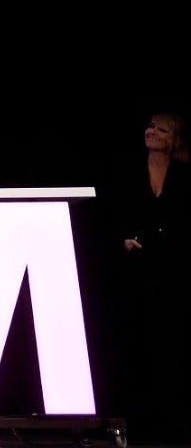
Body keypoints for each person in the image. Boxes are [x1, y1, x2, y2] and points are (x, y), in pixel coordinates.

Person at [112, 111, 190, 443]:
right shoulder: (128, 173)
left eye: (162, 129)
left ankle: (175, 427)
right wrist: (125, 242)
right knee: (137, 347)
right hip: (135, 273)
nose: (152, 131)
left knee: (172, 349)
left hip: (174, 274)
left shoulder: (185, 176)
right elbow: (114, 216)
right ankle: (139, 427)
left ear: (175, 140)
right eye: (149, 126)